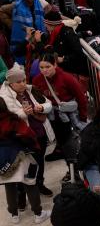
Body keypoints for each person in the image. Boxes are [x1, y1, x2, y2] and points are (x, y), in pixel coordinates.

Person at [0, 65, 55, 196]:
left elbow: (49, 103)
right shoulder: (3, 97)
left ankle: (40, 184)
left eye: (24, 80)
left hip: (39, 132)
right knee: (22, 167)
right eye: (19, 82)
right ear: (11, 83)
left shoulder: (31, 89)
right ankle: (22, 194)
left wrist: (41, 107)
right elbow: (6, 118)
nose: (23, 84)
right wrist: (23, 113)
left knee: (40, 161)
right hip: (20, 137)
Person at [0, 98, 50, 224]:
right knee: (29, 182)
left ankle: (14, 215)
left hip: (2, 159)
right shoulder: (13, 119)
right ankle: (38, 213)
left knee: (9, 185)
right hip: (20, 155)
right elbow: (27, 134)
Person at [32, 52, 88, 159]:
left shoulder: (67, 78)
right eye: (41, 67)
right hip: (50, 113)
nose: (44, 70)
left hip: (68, 113)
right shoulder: (37, 80)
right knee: (58, 134)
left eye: (48, 66)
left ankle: (71, 156)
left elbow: (81, 98)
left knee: (70, 137)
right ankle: (61, 150)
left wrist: (83, 116)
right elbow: (36, 98)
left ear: (55, 65)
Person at [9, 0, 45, 65]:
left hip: (39, 37)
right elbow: (17, 26)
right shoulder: (17, 6)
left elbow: (50, 11)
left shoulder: (39, 0)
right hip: (25, 40)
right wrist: (25, 28)